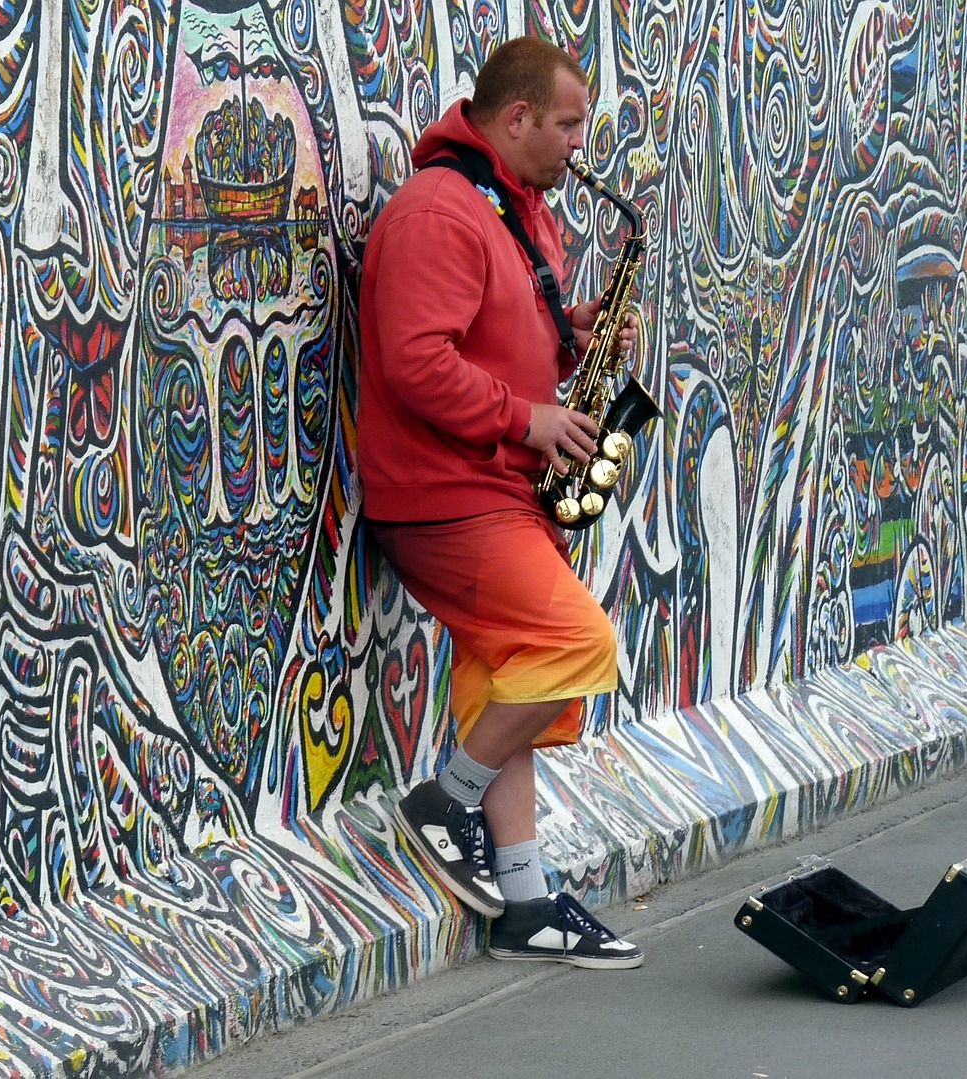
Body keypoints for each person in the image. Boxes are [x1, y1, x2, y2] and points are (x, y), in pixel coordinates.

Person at [356, 36, 644, 969]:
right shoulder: (441, 211)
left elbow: (497, 347)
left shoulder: (514, 211)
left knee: (511, 673)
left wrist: (577, 339)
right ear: (514, 118)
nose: (576, 146)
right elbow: (414, 362)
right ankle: (451, 795)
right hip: (446, 499)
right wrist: (529, 420)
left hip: (494, 490)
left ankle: (524, 895)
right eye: (566, 126)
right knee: (577, 645)